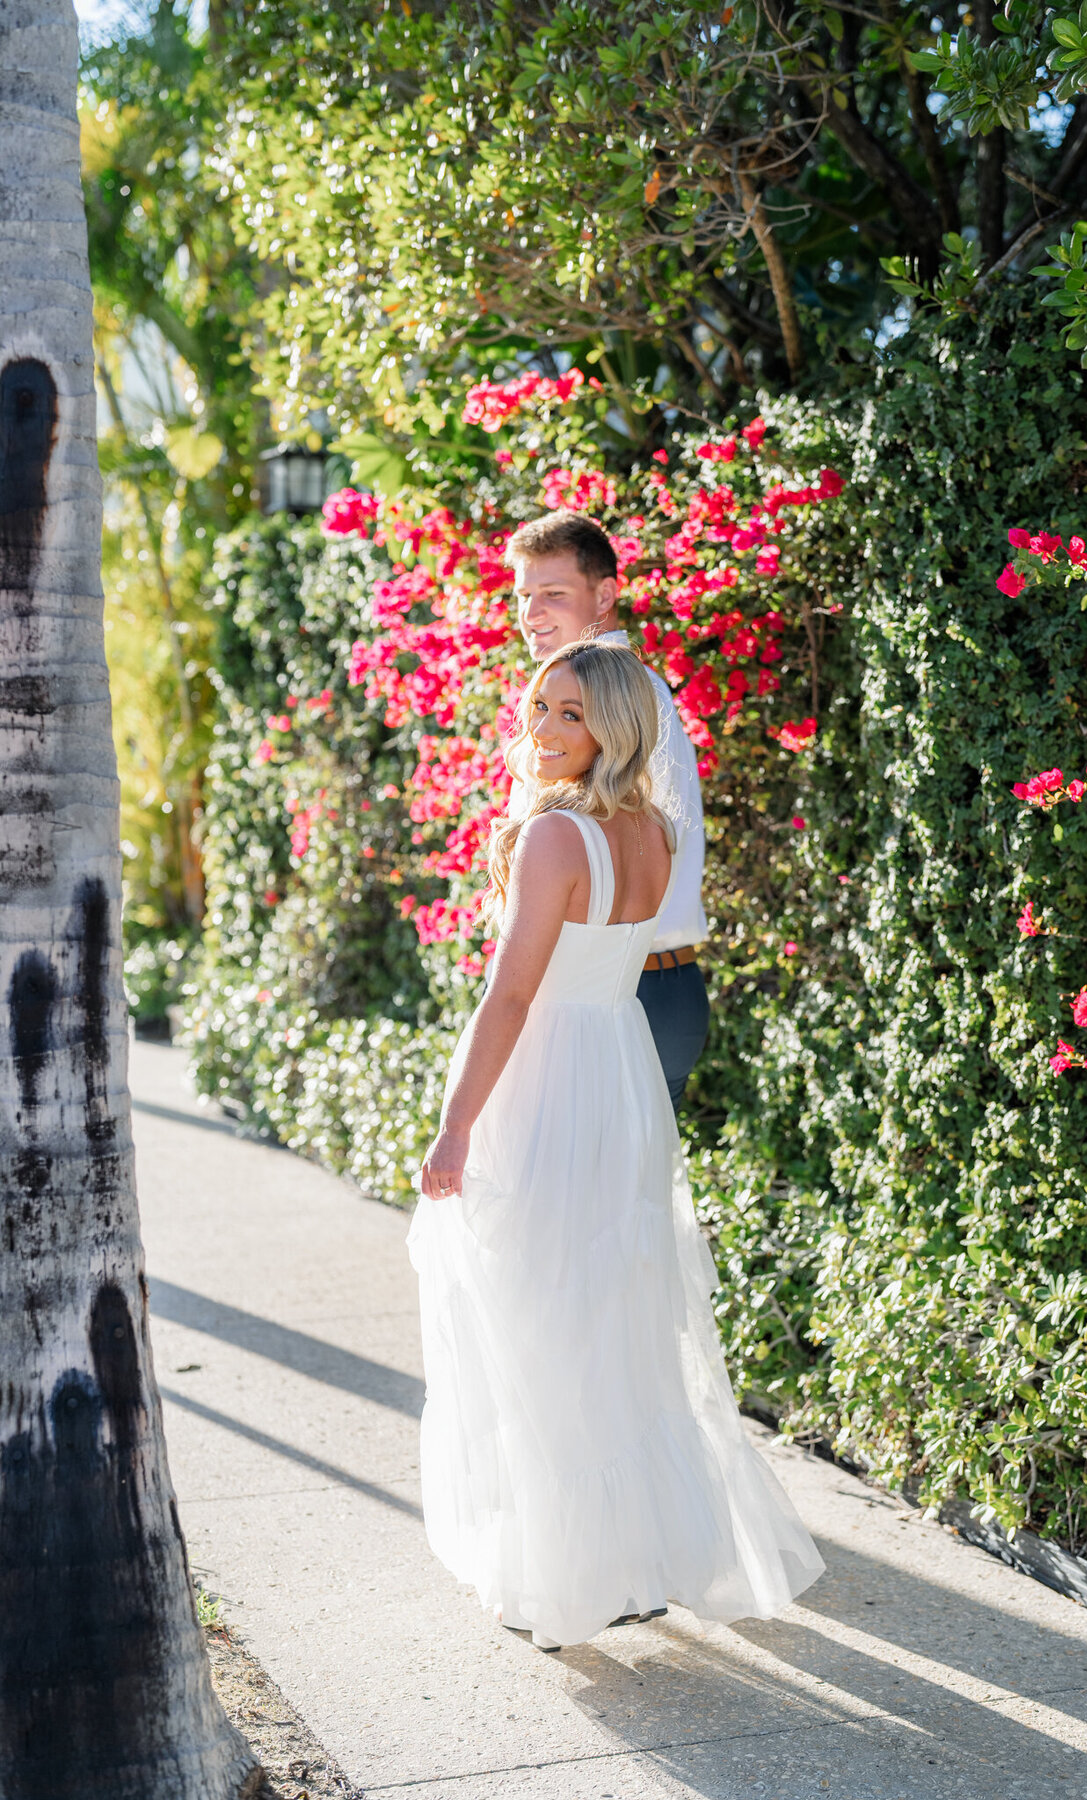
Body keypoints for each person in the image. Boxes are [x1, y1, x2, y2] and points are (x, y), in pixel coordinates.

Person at [410, 640, 823, 1652]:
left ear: (614, 730)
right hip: (619, 1072)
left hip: (548, 1075)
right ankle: (627, 1565)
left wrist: (457, 1123)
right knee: (608, 1316)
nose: (543, 731)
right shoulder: (657, 833)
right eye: (540, 708)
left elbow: (511, 995)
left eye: (570, 716)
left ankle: (563, 1576)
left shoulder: (554, 836)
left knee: (534, 1317)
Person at [503, 510, 709, 1109]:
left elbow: (618, 871)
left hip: (617, 994)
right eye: (524, 595)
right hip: (640, 989)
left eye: (553, 594)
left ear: (606, 595)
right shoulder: (583, 699)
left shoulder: (623, 700)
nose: (531, 613)